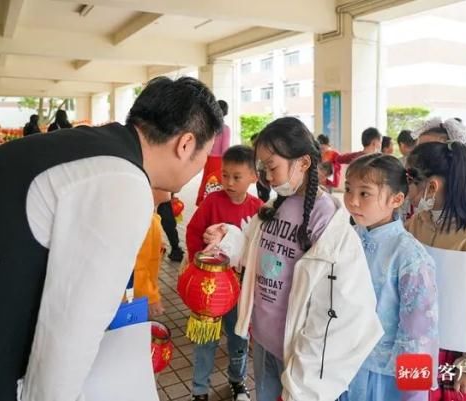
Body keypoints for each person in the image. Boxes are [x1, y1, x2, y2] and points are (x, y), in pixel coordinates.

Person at [0, 76, 224, 401]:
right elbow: (68, 338)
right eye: (205, 154)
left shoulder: (90, 148)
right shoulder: (121, 182)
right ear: (185, 145)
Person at [203, 117, 383, 401]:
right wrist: (227, 237)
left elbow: (338, 312)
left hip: (299, 354)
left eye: (272, 166)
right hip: (263, 341)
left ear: (303, 163)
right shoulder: (274, 206)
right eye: (262, 168)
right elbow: (251, 249)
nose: (267, 177)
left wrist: (304, 383)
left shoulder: (327, 221)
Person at [405, 141, 466, 401]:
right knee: (411, 395)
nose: (407, 189)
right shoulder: (416, 223)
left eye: (411, 180)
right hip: (415, 343)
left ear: (432, 186)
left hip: (454, 354)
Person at [340, 154, 438, 401]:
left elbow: (418, 333)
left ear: (396, 199)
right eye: (348, 189)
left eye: (365, 193)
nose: (352, 200)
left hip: (385, 374)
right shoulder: (346, 238)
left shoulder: (410, 256)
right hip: (343, 364)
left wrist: (413, 390)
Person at [186, 145, 263, 401]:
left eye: (236, 176)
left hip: (239, 290)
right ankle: (199, 390)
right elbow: (193, 232)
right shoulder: (212, 202)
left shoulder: (259, 209)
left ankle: (237, 381)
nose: (228, 182)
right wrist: (199, 264)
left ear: (254, 176)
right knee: (205, 342)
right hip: (210, 289)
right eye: (225, 174)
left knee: (239, 337)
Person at [133, 189, 171, 317]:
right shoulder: (144, 220)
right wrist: (150, 296)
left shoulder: (148, 216)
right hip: (133, 299)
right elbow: (136, 267)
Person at [196, 99, 231, 205]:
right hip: (219, 160)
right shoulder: (225, 129)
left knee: (207, 181)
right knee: (218, 183)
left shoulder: (209, 128)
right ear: (226, 112)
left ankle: (204, 203)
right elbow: (225, 149)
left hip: (208, 159)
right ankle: (215, 204)